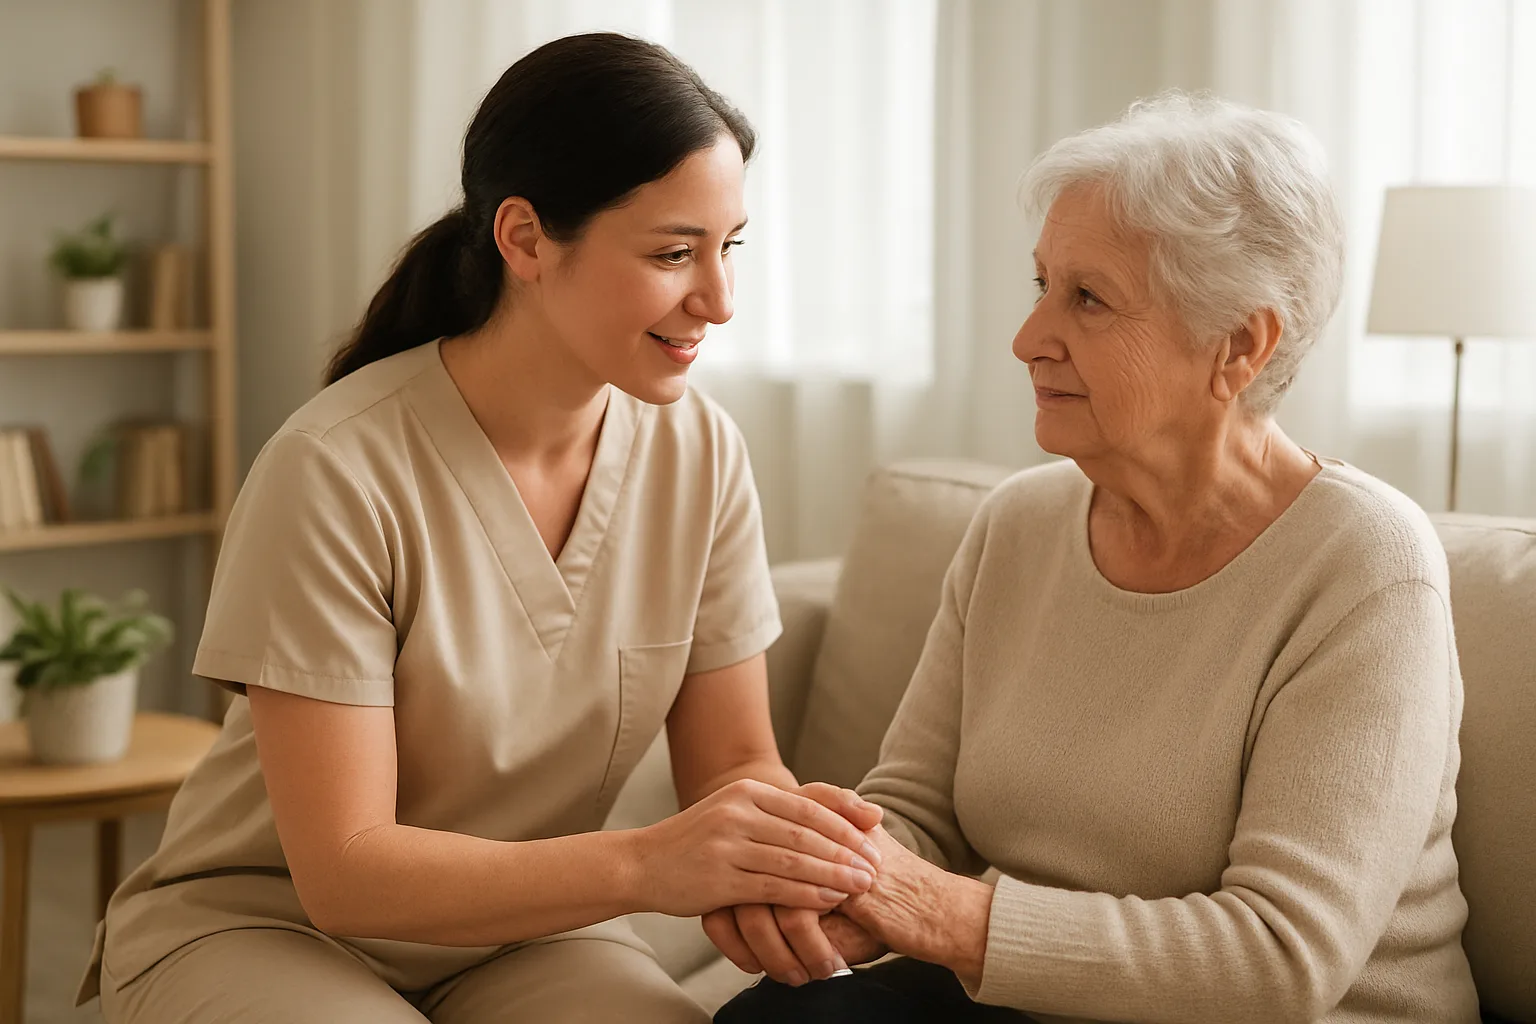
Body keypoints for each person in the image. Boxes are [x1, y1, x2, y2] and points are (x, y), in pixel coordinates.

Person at [76, 32, 884, 1024]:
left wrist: (779, 854)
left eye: (730, 247)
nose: (718, 300)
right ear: (526, 239)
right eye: (675, 252)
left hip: (530, 929)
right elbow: (345, 872)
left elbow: (733, 763)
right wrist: (647, 862)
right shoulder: (335, 468)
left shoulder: (702, 453)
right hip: (269, 920)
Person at [716, 92, 1481, 1023]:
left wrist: (939, 911)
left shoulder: (1366, 567)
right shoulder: (1018, 524)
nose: (1029, 340)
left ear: (1240, 345)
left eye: (1089, 298)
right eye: (1044, 286)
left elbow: (1282, 959)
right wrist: (831, 885)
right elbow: (918, 808)